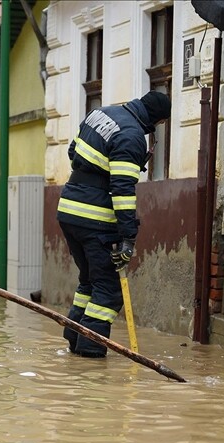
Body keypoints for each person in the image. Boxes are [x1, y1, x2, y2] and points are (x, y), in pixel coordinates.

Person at [56, 91, 171, 358]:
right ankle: (90, 355)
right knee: (107, 291)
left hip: (68, 210)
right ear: (156, 120)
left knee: (88, 281)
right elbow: (122, 190)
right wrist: (128, 237)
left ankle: (74, 336)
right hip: (94, 219)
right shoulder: (131, 137)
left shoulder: (101, 113)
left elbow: (73, 151)